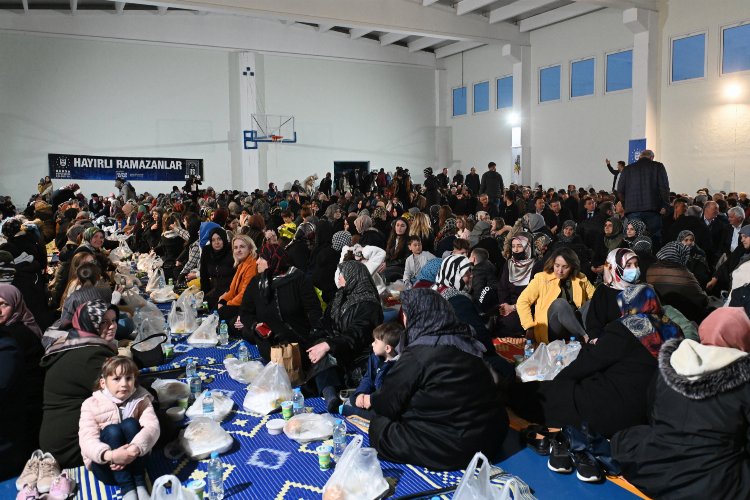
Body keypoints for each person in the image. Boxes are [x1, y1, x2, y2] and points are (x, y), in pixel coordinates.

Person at [611, 307, 750, 499]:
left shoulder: (672, 364)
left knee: (627, 437)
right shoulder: (744, 383)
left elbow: (652, 415)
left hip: (656, 468)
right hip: (717, 484)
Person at [511, 284, 679, 438]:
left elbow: (590, 362)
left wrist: (557, 382)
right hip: (646, 413)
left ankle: (506, 394)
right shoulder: (673, 330)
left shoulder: (629, 327)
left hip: (611, 408)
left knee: (541, 395)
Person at [369, 288, 507, 470]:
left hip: (455, 448)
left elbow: (386, 404)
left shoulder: (418, 354)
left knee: (379, 426)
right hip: (490, 440)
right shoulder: (468, 344)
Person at [40, 300, 119, 468]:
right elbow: (122, 393)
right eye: (103, 322)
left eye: (113, 320)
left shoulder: (75, 344)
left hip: (60, 440)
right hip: (70, 446)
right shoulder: (90, 356)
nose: (112, 326)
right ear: (88, 324)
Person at [79, 357, 159, 500]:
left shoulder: (141, 398)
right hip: (107, 467)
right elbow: (86, 439)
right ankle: (127, 489)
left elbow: (152, 427)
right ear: (103, 383)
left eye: (128, 378)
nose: (124, 384)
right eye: (116, 379)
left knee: (130, 424)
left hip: (136, 462)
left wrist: (135, 448)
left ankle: (140, 484)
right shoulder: (90, 404)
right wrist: (111, 456)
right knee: (112, 430)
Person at [309, 261, 383, 411]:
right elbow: (326, 323)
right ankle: (330, 394)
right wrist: (318, 339)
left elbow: (358, 333)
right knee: (318, 348)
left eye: (342, 275)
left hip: (359, 355)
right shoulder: (340, 297)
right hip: (340, 348)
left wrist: (329, 345)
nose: (339, 278)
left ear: (353, 276)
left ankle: (330, 393)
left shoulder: (369, 304)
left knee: (324, 349)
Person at [238, 243, 322, 363]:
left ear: (272, 260)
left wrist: (316, 336)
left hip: (297, 339)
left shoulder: (298, 279)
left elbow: (313, 309)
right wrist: (255, 325)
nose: (257, 262)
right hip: (268, 341)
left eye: (261, 258)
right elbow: (245, 311)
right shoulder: (256, 283)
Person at [0, 284, 44, 480]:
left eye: (4, 304)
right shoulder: (22, 326)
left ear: (16, 305)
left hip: (24, 413)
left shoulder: (14, 337)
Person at [516, 247, 595, 344]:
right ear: (553, 264)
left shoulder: (581, 278)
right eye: (557, 266)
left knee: (593, 302)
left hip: (575, 323)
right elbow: (522, 301)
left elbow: (596, 298)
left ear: (572, 267)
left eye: (565, 267)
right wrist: (529, 327)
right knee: (560, 304)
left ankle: (592, 334)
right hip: (553, 328)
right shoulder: (541, 278)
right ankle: (585, 337)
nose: (560, 270)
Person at [345, 322, 402, 418]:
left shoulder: (396, 366)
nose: (372, 344)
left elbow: (388, 393)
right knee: (353, 398)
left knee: (381, 414)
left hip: (382, 401)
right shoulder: (375, 358)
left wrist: (372, 399)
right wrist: (361, 393)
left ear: (387, 348)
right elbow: (368, 378)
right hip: (371, 397)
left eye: (376, 342)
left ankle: (354, 412)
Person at [617, 150, 670, 248]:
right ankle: (653, 257)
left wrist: (626, 206)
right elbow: (664, 188)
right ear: (651, 157)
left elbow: (620, 191)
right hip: (653, 210)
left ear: (639, 157)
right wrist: (665, 205)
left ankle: (635, 258)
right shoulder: (658, 166)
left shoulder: (627, 169)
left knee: (634, 239)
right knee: (654, 239)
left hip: (632, 210)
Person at [585, 249, 640, 340]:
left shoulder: (642, 289)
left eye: (636, 265)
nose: (634, 269)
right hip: (611, 341)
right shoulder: (604, 291)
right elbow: (594, 324)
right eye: (628, 265)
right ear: (613, 267)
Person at [647, 241, 708, 322]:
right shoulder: (685, 274)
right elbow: (701, 300)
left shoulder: (651, 269)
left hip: (659, 313)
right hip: (683, 316)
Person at [217, 235, 258, 335]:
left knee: (223, 315)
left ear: (250, 248)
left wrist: (227, 304)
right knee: (218, 308)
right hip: (239, 303)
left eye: (242, 247)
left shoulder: (252, 265)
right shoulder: (242, 264)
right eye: (235, 247)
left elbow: (245, 294)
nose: (238, 250)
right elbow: (232, 290)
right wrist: (223, 301)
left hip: (248, 306)